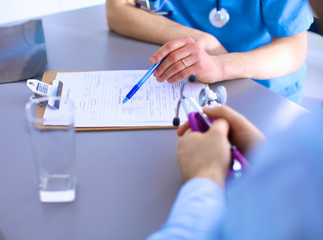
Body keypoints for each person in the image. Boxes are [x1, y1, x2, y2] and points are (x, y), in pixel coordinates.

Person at [145, 2, 323, 238]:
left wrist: (205, 177)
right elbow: (117, 9)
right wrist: (263, 150)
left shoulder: (306, 150)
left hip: (265, 102)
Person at [106, 0, 313, 103]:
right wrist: (200, 39)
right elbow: (116, 9)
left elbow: (293, 48)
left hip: (262, 94)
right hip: (183, 90)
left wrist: (220, 65)